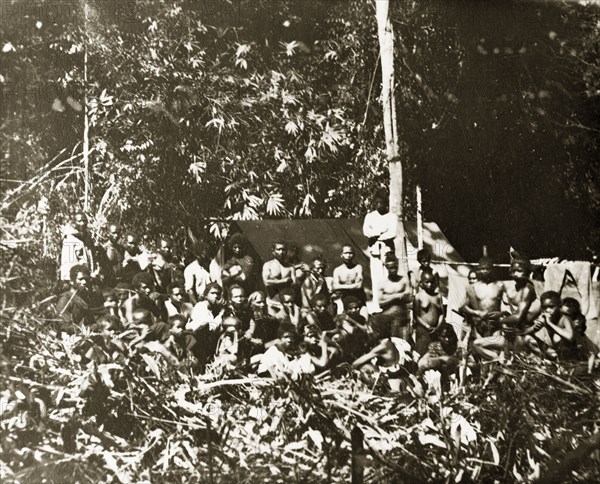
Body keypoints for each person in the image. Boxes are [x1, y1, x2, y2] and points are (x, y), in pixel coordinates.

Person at [473, 258, 538, 361]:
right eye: (513, 271)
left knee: (516, 366)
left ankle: (504, 363)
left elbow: (518, 317)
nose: (516, 274)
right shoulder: (516, 288)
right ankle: (499, 360)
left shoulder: (527, 289)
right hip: (510, 336)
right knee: (477, 344)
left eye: (520, 271)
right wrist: (502, 314)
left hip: (522, 336)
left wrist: (499, 320)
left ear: (527, 272)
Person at [362, 188, 397, 311]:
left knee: (388, 277)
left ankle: (388, 304)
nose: (377, 205)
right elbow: (366, 231)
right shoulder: (370, 216)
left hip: (387, 251)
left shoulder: (392, 217)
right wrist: (378, 232)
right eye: (375, 202)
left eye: (380, 203)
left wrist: (378, 235)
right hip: (375, 251)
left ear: (385, 203)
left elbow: (392, 233)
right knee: (376, 279)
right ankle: (377, 306)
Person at [459, 256, 505, 342]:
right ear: (479, 269)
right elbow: (463, 307)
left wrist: (501, 314)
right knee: (479, 348)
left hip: (495, 324)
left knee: (496, 349)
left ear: (492, 269)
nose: (485, 271)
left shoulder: (500, 285)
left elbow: (507, 305)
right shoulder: (473, 287)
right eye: (482, 269)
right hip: (479, 324)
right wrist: (476, 312)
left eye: (488, 269)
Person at [523, 291, 574, 360]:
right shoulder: (543, 317)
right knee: (527, 339)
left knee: (557, 338)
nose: (548, 310)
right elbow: (524, 333)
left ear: (559, 306)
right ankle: (547, 359)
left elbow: (570, 337)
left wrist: (550, 323)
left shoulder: (564, 318)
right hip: (551, 351)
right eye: (544, 307)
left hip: (567, 353)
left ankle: (560, 362)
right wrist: (533, 328)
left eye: (551, 307)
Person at [373, 253, 413, 341]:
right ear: (386, 267)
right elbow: (380, 304)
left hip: (402, 319)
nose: (393, 270)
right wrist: (397, 296)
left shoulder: (404, 280)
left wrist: (388, 297)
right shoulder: (382, 284)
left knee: (404, 344)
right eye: (391, 268)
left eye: (395, 267)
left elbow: (409, 298)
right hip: (387, 319)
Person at [56, 264, 104, 334]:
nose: (84, 282)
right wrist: (88, 328)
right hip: (72, 339)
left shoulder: (86, 297)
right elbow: (63, 325)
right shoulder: (65, 300)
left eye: (86, 279)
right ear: (71, 281)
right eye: (80, 279)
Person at [59, 212, 102, 282]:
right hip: (77, 280)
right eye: (79, 221)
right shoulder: (69, 239)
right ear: (74, 223)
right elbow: (70, 264)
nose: (82, 223)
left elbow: (92, 258)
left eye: (84, 221)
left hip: (89, 278)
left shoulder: (87, 238)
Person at [413, 268, 445, 357]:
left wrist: (438, 326)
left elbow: (441, 313)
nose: (430, 285)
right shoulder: (418, 296)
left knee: (435, 354)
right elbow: (416, 316)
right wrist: (426, 326)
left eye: (431, 282)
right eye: (427, 282)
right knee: (421, 353)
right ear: (421, 283)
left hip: (436, 330)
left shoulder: (438, 296)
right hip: (423, 330)